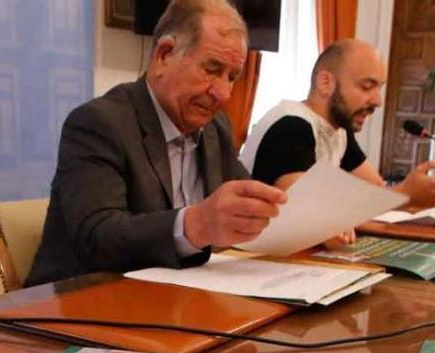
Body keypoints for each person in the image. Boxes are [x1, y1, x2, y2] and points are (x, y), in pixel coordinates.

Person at [25, 0, 287, 286]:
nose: (223, 93)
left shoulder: (216, 128)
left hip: (173, 299)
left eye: (232, 77)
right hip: (75, 305)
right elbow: (96, 239)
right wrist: (196, 224)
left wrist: (304, 222)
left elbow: (245, 206)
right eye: (212, 70)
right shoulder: (99, 123)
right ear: (164, 54)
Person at [241, 39, 435, 246]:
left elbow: (375, 192)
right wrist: (407, 193)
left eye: (379, 88)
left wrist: (411, 191)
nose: (377, 101)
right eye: (366, 86)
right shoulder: (291, 127)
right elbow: (306, 215)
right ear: (326, 83)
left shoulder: (339, 130)